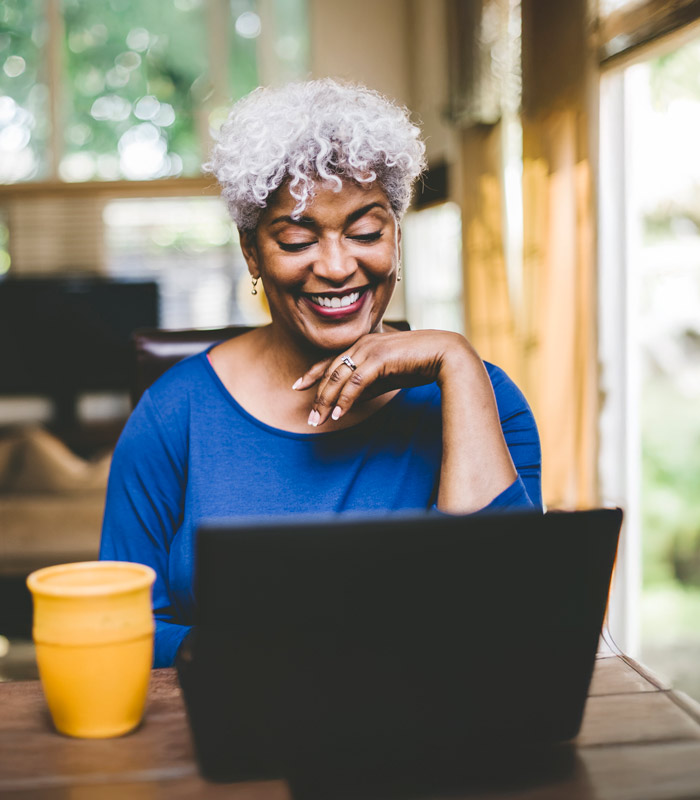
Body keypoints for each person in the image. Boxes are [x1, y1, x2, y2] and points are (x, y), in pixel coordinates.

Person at [100, 78, 542, 668]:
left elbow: (512, 612)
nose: (337, 267)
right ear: (252, 252)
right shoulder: (172, 416)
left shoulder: (484, 398)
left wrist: (456, 363)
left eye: (365, 231)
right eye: (296, 239)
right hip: (230, 733)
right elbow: (119, 626)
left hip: (430, 738)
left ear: (397, 236)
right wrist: (272, 658)